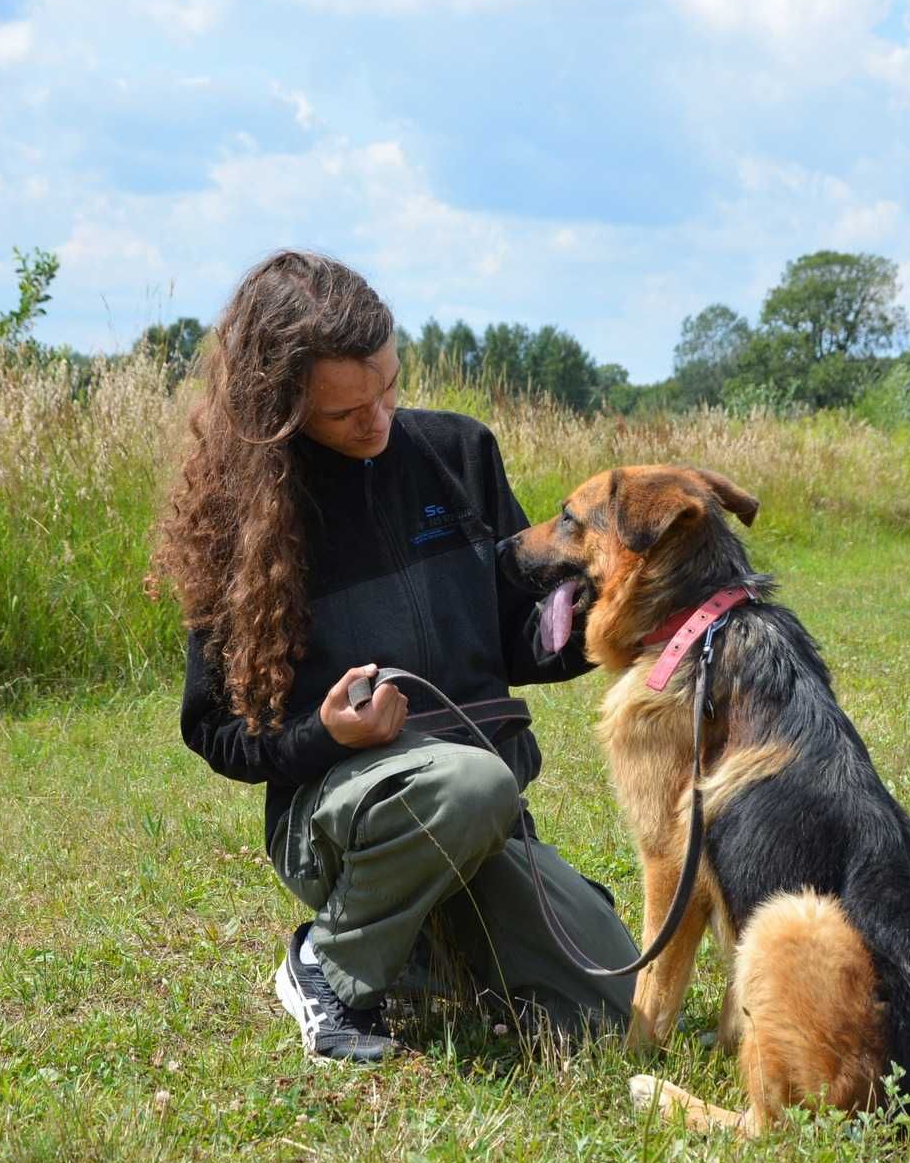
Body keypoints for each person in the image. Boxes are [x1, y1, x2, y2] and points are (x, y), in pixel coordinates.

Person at [152, 250, 637, 1062]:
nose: (377, 420)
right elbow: (214, 729)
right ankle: (330, 967)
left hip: (482, 817)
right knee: (470, 781)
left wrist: (604, 617)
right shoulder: (246, 515)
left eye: (388, 388)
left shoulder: (461, 451)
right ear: (282, 406)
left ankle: (420, 954)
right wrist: (326, 736)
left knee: (613, 1009)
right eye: (347, 413)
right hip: (344, 816)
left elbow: (520, 632)